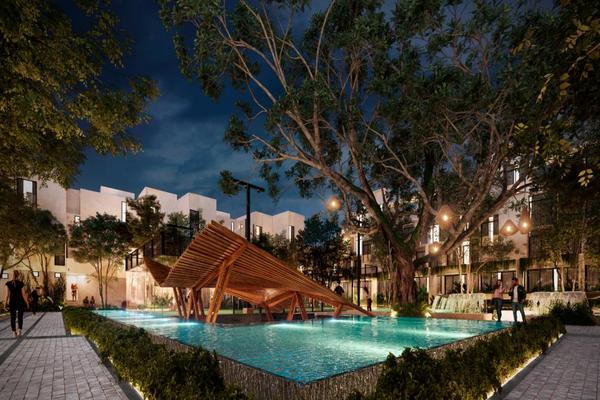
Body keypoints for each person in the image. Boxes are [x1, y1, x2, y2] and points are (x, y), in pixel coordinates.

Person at [5, 271, 29, 338]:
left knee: (12, 318)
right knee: (20, 317)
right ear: (18, 275)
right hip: (20, 302)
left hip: (12, 302)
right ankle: (19, 331)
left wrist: (5, 303)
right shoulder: (21, 283)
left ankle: (13, 332)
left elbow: (7, 295)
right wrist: (27, 303)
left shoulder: (8, 283)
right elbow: (23, 295)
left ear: (11, 275)